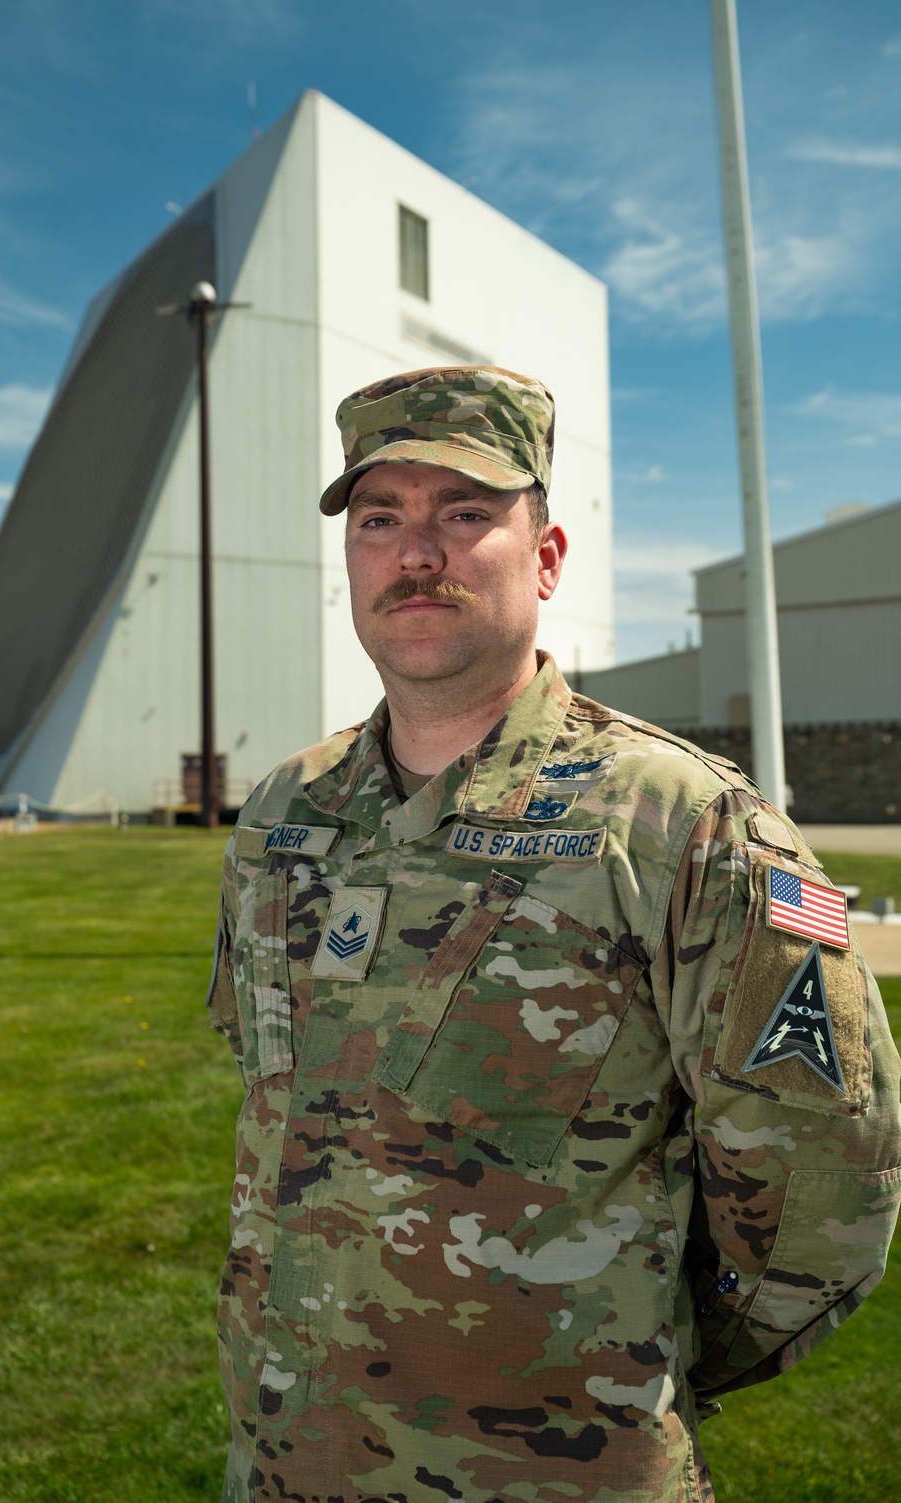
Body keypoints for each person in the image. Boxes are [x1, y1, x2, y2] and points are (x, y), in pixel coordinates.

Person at [207, 365, 901, 1503]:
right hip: (287, 1460)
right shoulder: (290, 811)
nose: (414, 551)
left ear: (546, 556)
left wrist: (633, 1352)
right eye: (379, 519)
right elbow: (274, 1110)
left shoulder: (681, 823)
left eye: (463, 513)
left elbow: (822, 1182)